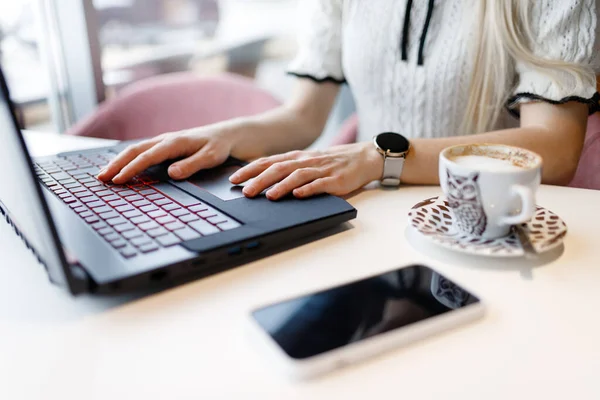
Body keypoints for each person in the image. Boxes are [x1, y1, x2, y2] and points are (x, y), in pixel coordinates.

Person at [98, 0, 600, 201]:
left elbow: (554, 148)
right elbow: (303, 115)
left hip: (485, 224)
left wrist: (380, 158)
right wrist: (222, 134)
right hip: (362, 212)